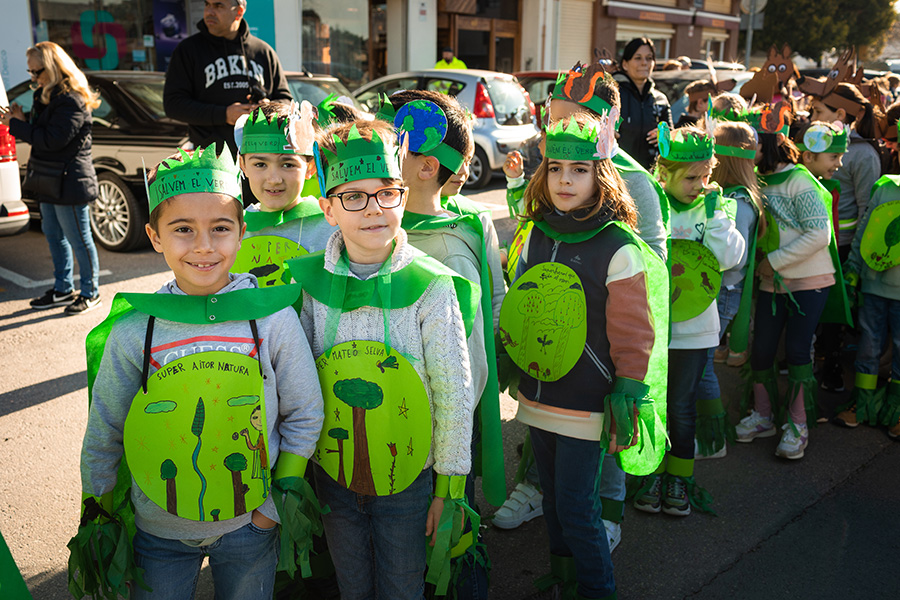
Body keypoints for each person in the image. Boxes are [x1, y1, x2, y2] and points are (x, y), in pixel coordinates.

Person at [73, 146, 324, 598]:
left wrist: (271, 509)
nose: (204, 245)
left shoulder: (271, 319)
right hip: (158, 531)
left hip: (251, 526)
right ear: (155, 236)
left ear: (242, 233)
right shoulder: (135, 331)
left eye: (221, 228)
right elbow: (105, 429)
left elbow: (305, 412)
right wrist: (101, 517)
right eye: (183, 229)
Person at [288, 118, 478, 600]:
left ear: (402, 196)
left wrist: (448, 487)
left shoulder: (431, 286)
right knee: (352, 585)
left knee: (401, 586)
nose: (373, 208)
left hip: (409, 476)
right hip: (333, 473)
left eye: (386, 193)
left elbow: (453, 391)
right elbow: (296, 383)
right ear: (328, 208)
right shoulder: (308, 286)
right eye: (354, 196)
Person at [497, 65, 668, 555]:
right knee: (551, 440)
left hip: (600, 348)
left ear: (605, 122)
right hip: (551, 342)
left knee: (601, 447)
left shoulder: (634, 182)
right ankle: (539, 491)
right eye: (553, 117)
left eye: (572, 117)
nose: (558, 126)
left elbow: (652, 266)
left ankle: (608, 513)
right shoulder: (553, 173)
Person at [381, 91, 503, 596]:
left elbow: (493, 304)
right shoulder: (372, 227)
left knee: (452, 525)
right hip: (389, 410)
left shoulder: (467, 228)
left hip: (452, 411)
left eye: (392, 146)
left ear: (426, 165)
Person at [634, 124, 743, 516]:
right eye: (691, 178)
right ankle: (651, 472)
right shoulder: (648, 205)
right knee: (653, 403)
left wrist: (716, 218)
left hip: (695, 331)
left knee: (681, 407)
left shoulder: (716, 207)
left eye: (705, 176)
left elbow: (730, 259)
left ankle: (678, 476)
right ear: (663, 174)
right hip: (652, 326)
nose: (700, 185)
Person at [736, 108, 847, 459]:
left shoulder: (800, 180)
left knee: (798, 352)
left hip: (809, 281)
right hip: (772, 282)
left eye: (751, 143)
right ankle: (763, 416)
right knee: (762, 351)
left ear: (766, 144)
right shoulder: (757, 179)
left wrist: (774, 262)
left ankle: (798, 425)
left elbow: (819, 234)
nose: (746, 150)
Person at [0, 42, 102, 315]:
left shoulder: (72, 100)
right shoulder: (45, 95)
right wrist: (21, 121)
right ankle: (63, 289)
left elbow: (52, 140)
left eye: (38, 71)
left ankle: (91, 292)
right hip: (48, 178)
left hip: (70, 180)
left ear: (55, 68)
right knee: (54, 237)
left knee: (79, 239)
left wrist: (16, 125)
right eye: (30, 71)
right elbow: (43, 133)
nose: (34, 78)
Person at [694, 120, 762, 460]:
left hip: (720, 290)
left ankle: (711, 438)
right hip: (715, 289)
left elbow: (735, 258)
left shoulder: (738, 203)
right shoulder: (733, 197)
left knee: (701, 365)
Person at [806, 83, 881, 393]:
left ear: (839, 115)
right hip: (813, 241)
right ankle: (806, 357)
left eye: (818, 111)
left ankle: (832, 363)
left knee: (836, 310)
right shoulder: (811, 144)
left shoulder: (862, 155)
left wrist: (856, 257)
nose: (811, 117)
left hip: (843, 245)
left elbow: (867, 208)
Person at [163, 0, 292, 156]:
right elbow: (173, 105)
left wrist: (268, 109)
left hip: (259, 155)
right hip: (210, 158)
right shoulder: (188, 50)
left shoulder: (263, 52)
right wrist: (224, 114)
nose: (209, 11)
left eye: (218, 6)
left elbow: (286, 101)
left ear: (239, 11)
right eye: (207, 4)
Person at [232, 102, 336, 286]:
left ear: (310, 167)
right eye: (260, 164)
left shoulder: (332, 227)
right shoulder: (232, 231)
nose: (274, 179)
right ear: (243, 165)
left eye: (288, 165)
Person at [843, 156, 900, 438]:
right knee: (868, 343)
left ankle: (897, 409)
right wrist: (853, 268)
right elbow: (865, 230)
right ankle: (862, 403)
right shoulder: (885, 187)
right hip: (874, 284)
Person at [613, 37, 672, 170]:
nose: (644, 63)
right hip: (618, 171)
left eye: (649, 58)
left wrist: (665, 135)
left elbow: (672, 134)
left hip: (651, 173)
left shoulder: (660, 99)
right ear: (625, 64)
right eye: (638, 58)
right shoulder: (611, 95)